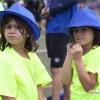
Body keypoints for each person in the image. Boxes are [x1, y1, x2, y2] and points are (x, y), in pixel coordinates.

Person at [0, 3, 52, 100]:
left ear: (28, 33)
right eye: (8, 27)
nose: (12, 31)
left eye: (18, 27)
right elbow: (7, 96)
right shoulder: (4, 59)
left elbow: (39, 86)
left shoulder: (32, 56)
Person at [41, 0, 79, 100]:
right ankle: (68, 97)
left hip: (61, 28)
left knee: (57, 69)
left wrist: (51, 10)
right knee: (63, 67)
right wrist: (47, 13)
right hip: (53, 28)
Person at [61, 8, 100, 100]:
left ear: (94, 32)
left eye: (84, 29)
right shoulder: (76, 52)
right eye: (75, 30)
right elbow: (65, 80)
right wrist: (69, 55)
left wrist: (78, 60)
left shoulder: (97, 53)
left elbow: (89, 87)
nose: (78, 33)